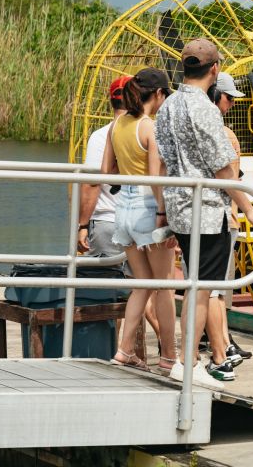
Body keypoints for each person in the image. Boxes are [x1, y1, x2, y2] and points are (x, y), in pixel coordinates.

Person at [155, 38, 253, 386]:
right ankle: (189, 364)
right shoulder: (204, 109)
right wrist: (250, 208)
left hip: (178, 206)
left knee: (193, 285)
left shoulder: (168, 105)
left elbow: (161, 161)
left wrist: (162, 211)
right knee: (202, 289)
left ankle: (185, 360)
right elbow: (223, 170)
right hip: (206, 211)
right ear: (215, 69)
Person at [101, 67, 177, 372]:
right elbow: (157, 178)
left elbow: (106, 172)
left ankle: (125, 350)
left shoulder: (117, 125)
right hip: (149, 206)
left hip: (123, 210)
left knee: (142, 284)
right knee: (164, 287)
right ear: (157, 94)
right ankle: (169, 356)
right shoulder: (149, 127)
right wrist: (163, 214)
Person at [206, 72, 253, 365]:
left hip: (212, 217)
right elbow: (229, 178)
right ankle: (222, 345)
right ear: (218, 97)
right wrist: (248, 209)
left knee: (211, 288)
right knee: (218, 289)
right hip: (222, 218)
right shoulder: (225, 135)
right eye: (229, 98)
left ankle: (219, 340)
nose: (232, 105)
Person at [77, 75, 130, 259]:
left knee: (103, 283)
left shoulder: (100, 136)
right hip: (143, 222)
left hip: (108, 221)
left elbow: (92, 184)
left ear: (111, 101)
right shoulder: (149, 132)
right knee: (145, 284)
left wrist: (82, 225)